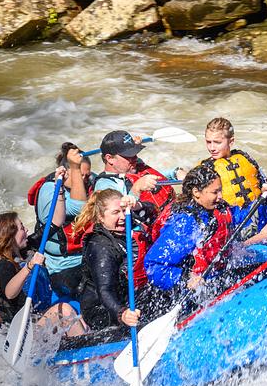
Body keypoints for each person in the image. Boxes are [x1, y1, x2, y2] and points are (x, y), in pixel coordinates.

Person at [143, 164, 267, 294]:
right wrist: (186, 279)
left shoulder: (219, 208)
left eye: (220, 190)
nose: (220, 196)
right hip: (194, 289)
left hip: (216, 273)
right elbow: (154, 265)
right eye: (215, 192)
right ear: (196, 193)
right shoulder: (185, 222)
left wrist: (264, 200)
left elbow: (246, 221)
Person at [197, 117, 267, 255]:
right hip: (239, 229)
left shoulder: (244, 158)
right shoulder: (206, 170)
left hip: (262, 216)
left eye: (217, 142)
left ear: (231, 141)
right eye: (208, 142)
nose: (212, 147)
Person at [0, 211, 86, 336]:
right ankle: (85, 349)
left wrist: (60, 192)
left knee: (78, 316)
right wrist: (29, 266)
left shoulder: (28, 247)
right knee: (65, 310)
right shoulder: (4, 265)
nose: (27, 230)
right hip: (23, 330)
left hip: (38, 317)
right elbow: (10, 293)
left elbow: (56, 222)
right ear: (9, 236)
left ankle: (82, 339)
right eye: (22, 228)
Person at [76, 189, 170, 332]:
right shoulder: (100, 246)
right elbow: (104, 290)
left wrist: (137, 205)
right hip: (103, 308)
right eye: (115, 213)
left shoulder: (128, 225)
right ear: (101, 217)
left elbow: (155, 214)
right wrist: (122, 313)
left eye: (123, 211)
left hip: (129, 293)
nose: (122, 217)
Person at [27, 147, 91, 300]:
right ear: (67, 172)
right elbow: (79, 208)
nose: (84, 180)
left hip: (86, 256)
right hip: (62, 266)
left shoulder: (88, 182)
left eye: (86, 176)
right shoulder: (49, 190)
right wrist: (75, 167)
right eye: (79, 174)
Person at [92, 130, 177, 217]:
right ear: (110, 158)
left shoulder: (132, 165)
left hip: (170, 212)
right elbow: (119, 217)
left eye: (135, 153)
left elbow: (151, 174)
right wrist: (136, 190)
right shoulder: (105, 186)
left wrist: (175, 173)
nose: (135, 158)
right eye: (128, 156)